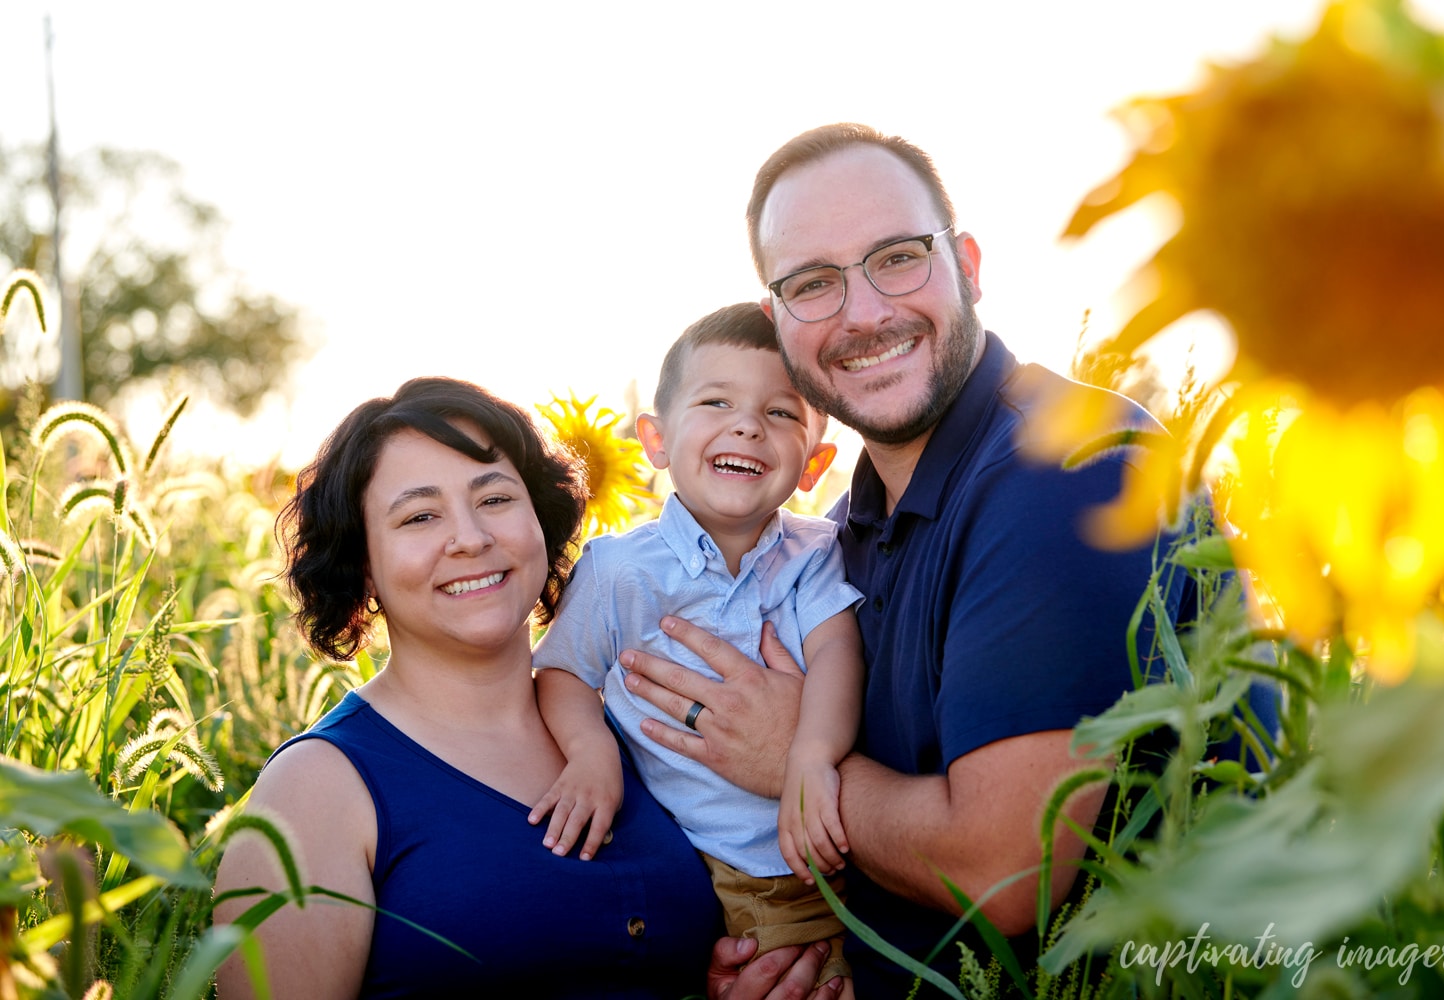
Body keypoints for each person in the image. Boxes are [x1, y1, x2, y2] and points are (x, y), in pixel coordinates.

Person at [620, 124, 1188, 996]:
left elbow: (1006, 872)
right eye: (814, 283)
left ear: (966, 263)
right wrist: (799, 958)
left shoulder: (1064, 465)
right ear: (778, 322)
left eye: (896, 257)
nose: (863, 313)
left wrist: (793, 761)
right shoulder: (842, 533)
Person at [213, 376, 844, 999]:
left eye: (494, 500)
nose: (471, 537)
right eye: (420, 516)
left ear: (540, 521)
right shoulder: (317, 787)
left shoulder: (637, 732)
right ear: (363, 568)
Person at [530, 303, 864, 989]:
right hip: (697, 863)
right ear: (654, 440)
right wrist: (592, 753)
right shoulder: (619, 568)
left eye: (781, 414)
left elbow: (837, 655)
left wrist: (809, 756)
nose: (747, 424)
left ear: (814, 464)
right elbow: (560, 672)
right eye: (717, 401)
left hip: (829, 849)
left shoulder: (817, 552)